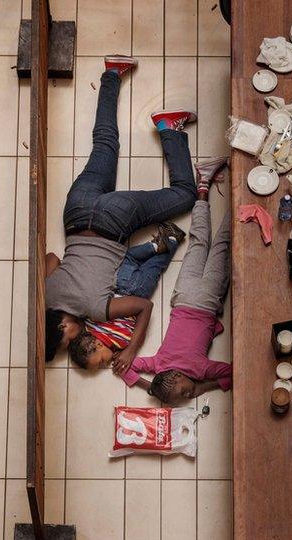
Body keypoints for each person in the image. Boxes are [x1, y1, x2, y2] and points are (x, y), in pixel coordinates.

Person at [45, 54, 199, 370]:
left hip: (116, 220)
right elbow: (51, 258)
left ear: (62, 326)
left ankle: (169, 128)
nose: (75, 338)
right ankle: (112, 72)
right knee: (104, 143)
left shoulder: (95, 310)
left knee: (185, 196)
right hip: (76, 212)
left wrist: (131, 349)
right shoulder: (46, 295)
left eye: (69, 338)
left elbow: (143, 306)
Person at [66, 159, 229, 371]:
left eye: (101, 361)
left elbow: (140, 317)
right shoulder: (90, 324)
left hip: (138, 294)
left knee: (155, 267)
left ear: (96, 345)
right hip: (116, 283)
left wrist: (130, 350)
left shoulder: (120, 342)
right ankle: (155, 245)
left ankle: (168, 241)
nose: (106, 363)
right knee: (132, 258)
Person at [111, 189, 233, 405]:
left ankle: (236, 203)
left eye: (184, 392)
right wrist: (151, 387)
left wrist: (203, 386)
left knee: (221, 247)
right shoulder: (158, 364)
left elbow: (233, 373)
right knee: (199, 243)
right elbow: (124, 368)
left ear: (177, 377)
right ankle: (203, 191)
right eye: (187, 396)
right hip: (182, 296)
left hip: (207, 300)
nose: (190, 394)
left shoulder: (200, 370)